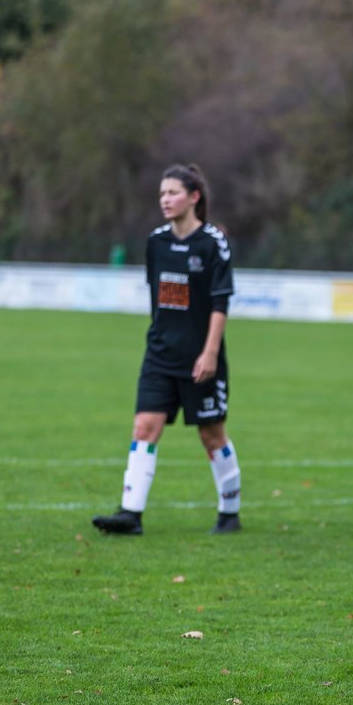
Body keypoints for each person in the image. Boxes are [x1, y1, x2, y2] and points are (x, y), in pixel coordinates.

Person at [92, 164, 242, 536]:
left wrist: (209, 353)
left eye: (172, 192)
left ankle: (230, 511)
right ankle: (130, 513)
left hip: (200, 359)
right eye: (161, 194)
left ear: (194, 197)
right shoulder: (156, 242)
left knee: (211, 435)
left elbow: (220, 304)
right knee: (145, 427)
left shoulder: (213, 243)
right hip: (159, 355)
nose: (165, 200)